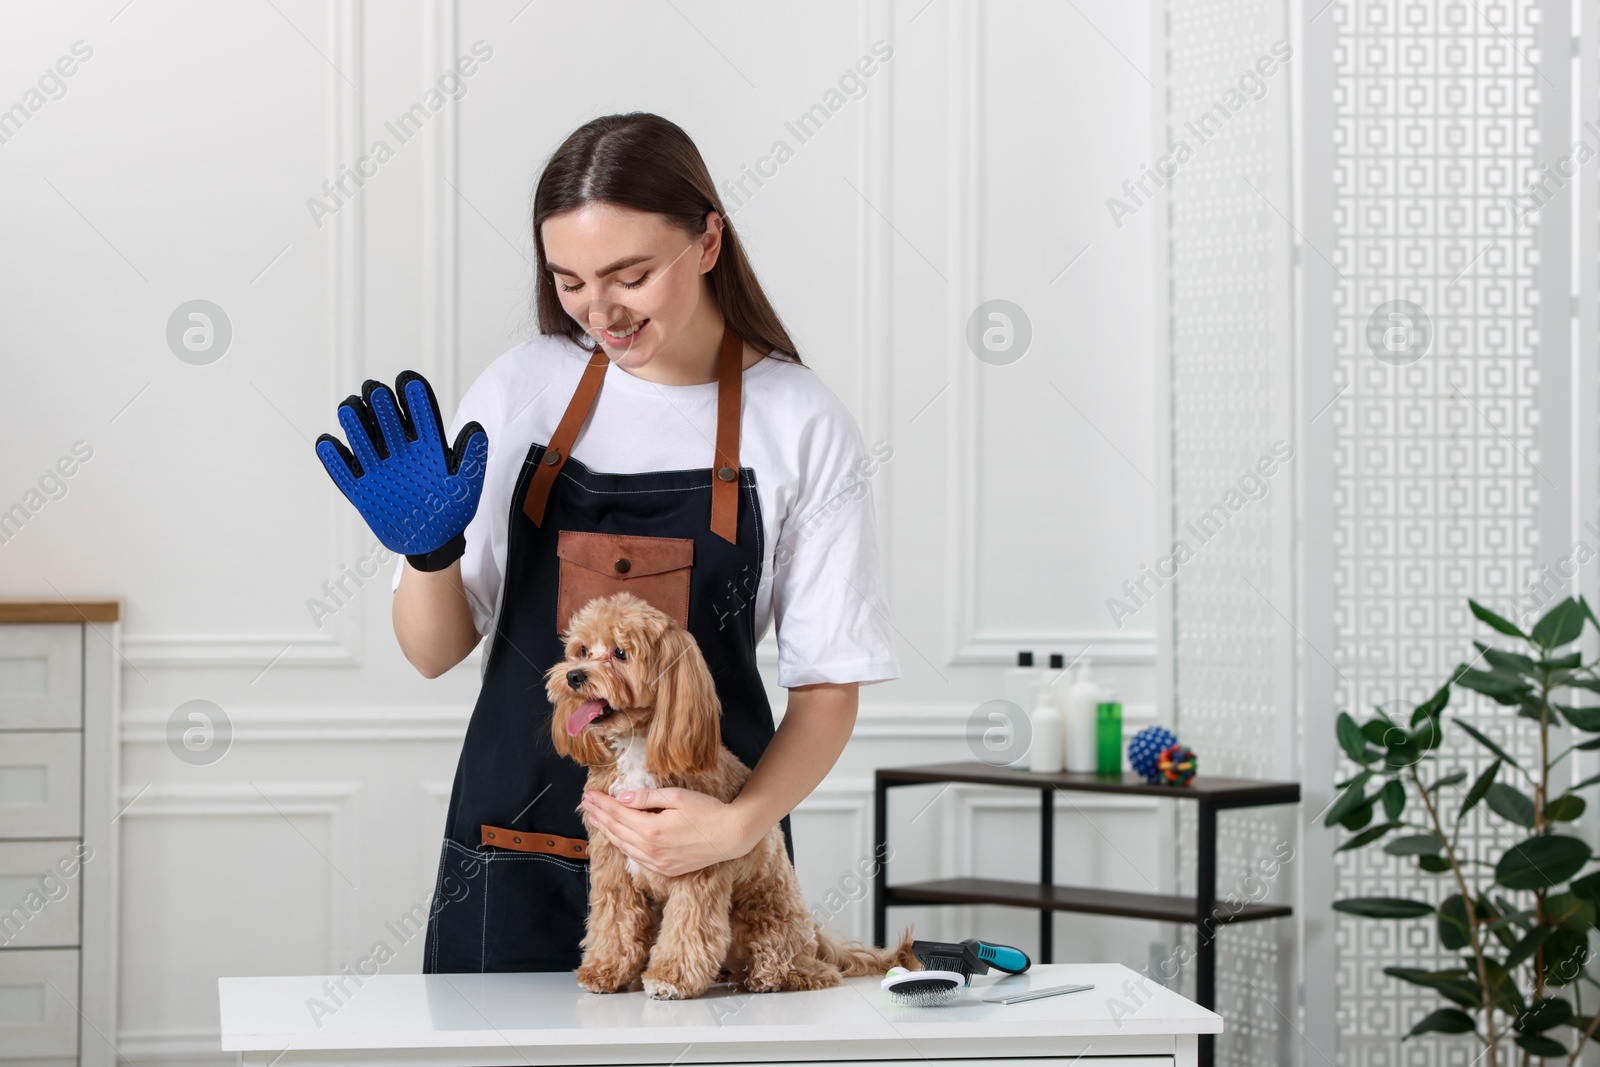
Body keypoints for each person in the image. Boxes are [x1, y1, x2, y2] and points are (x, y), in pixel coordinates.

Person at [315, 111, 900, 974]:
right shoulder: (524, 388)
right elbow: (432, 652)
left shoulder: (799, 421)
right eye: (570, 280)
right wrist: (429, 552)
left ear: (708, 242)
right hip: (509, 851)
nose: (600, 310)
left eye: (629, 275)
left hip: (705, 871)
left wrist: (737, 825)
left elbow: (826, 691)